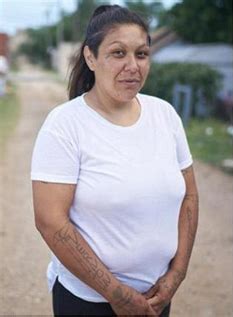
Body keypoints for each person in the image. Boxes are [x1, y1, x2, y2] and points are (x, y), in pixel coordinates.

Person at [31, 5, 198, 316]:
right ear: (90, 57)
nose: (132, 66)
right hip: (88, 302)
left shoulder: (165, 115)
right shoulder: (65, 124)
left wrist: (177, 274)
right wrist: (115, 293)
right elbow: (50, 222)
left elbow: (189, 195)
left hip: (156, 297)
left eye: (142, 54)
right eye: (118, 53)